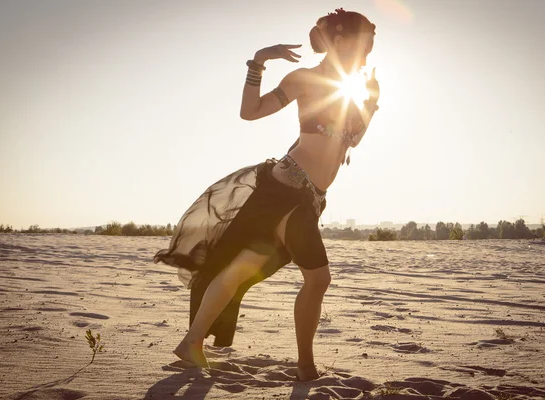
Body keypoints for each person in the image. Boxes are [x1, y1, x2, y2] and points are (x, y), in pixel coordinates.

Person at [154, 8, 379, 382]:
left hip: (307, 197)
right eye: (362, 45)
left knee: (239, 268)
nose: (366, 55)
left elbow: (349, 141)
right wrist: (258, 62)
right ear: (339, 42)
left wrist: (369, 105)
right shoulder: (304, 79)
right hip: (285, 189)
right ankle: (305, 366)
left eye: (369, 48)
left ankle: (192, 342)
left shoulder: (352, 90)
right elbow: (250, 111)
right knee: (318, 279)